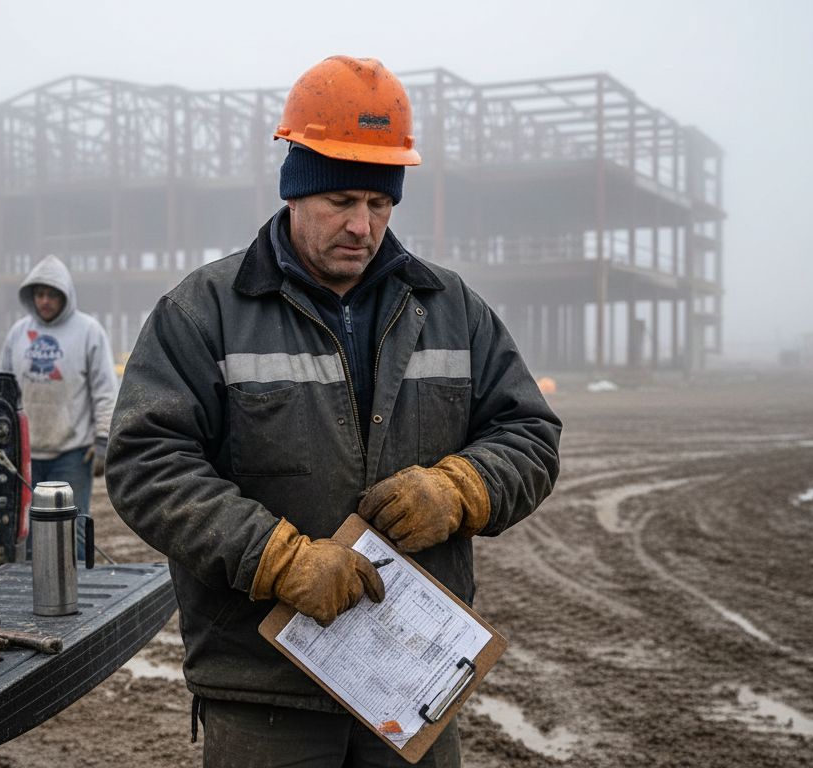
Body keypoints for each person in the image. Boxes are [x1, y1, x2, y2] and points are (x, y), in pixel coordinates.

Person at [107, 56, 561, 767]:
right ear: (294, 191)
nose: (362, 225)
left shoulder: (452, 309)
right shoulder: (204, 312)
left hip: (412, 677)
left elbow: (529, 433)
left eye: (380, 203)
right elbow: (146, 463)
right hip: (265, 690)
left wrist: (461, 488)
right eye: (341, 200)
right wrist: (276, 558)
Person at [0, 254, 118, 556]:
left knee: (73, 528)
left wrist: (103, 440)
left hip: (73, 452)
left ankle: (80, 582)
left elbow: (105, 391)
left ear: (65, 296)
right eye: (40, 294)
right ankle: (33, 582)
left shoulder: (88, 331)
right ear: (31, 296)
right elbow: (2, 390)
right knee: (28, 530)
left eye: (52, 295)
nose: (45, 301)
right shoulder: (18, 334)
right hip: (25, 452)